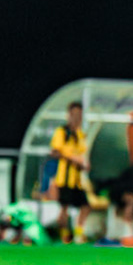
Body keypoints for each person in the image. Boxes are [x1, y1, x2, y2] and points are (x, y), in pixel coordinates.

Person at [47, 101, 93, 244]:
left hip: (77, 181)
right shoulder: (62, 132)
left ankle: (78, 233)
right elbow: (55, 151)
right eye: (73, 114)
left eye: (79, 115)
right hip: (63, 178)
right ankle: (64, 235)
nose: (76, 118)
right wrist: (74, 159)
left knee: (86, 206)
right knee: (64, 208)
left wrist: (85, 164)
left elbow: (82, 155)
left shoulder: (81, 135)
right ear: (69, 115)